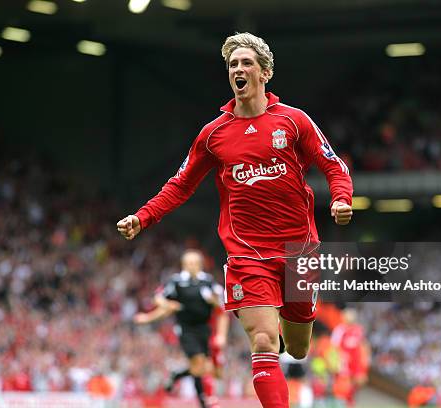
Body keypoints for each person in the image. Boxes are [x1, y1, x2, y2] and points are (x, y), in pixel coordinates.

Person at [118, 32, 353, 408]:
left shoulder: (293, 122)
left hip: (298, 250)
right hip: (246, 254)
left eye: (246, 63)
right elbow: (180, 185)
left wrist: (341, 199)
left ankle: (281, 318)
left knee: (296, 346)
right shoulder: (214, 135)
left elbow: (332, 164)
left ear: (265, 73)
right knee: (263, 341)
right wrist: (143, 217)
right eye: (232, 65)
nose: (238, 69)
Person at [133, 249, 227, 408]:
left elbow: (222, 306)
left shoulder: (208, 282)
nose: (191, 266)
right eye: (188, 263)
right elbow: (159, 300)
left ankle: (178, 374)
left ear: (200, 265)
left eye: (194, 263)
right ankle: (205, 401)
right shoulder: (176, 282)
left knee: (208, 369)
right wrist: (151, 316)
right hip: (186, 330)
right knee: (199, 361)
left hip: (205, 329)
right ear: (183, 265)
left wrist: (221, 332)